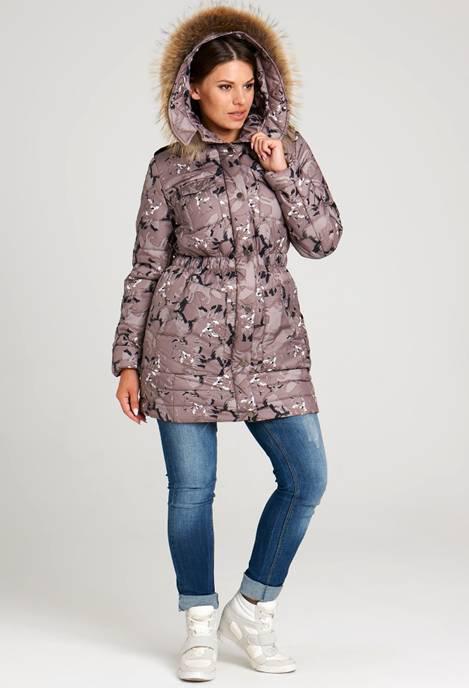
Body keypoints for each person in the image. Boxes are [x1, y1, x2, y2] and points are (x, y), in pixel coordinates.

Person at [111, 3, 343, 682]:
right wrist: (126, 360)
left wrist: (280, 171)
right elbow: (146, 266)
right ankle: (198, 624)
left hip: (273, 345)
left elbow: (322, 240)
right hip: (180, 349)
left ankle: (253, 608)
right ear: (192, 88)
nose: (239, 100)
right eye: (223, 86)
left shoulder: (285, 147)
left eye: (247, 85)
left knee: (306, 478)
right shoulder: (167, 168)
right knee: (192, 490)